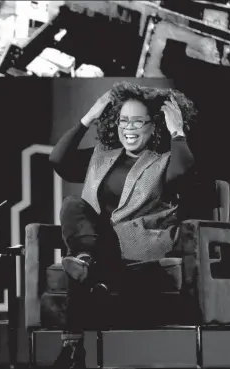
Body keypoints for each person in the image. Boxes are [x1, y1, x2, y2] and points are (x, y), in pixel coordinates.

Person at [48, 81, 197, 369]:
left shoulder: (163, 161)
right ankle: (86, 261)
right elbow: (58, 159)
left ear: (154, 126)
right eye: (123, 120)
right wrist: (88, 118)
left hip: (134, 244)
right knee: (72, 205)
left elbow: (185, 173)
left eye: (138, 121)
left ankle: (72, 347)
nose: (129, 127)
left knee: (81, 263)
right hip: (99, 246)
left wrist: (177, 131)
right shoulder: (102, 155)